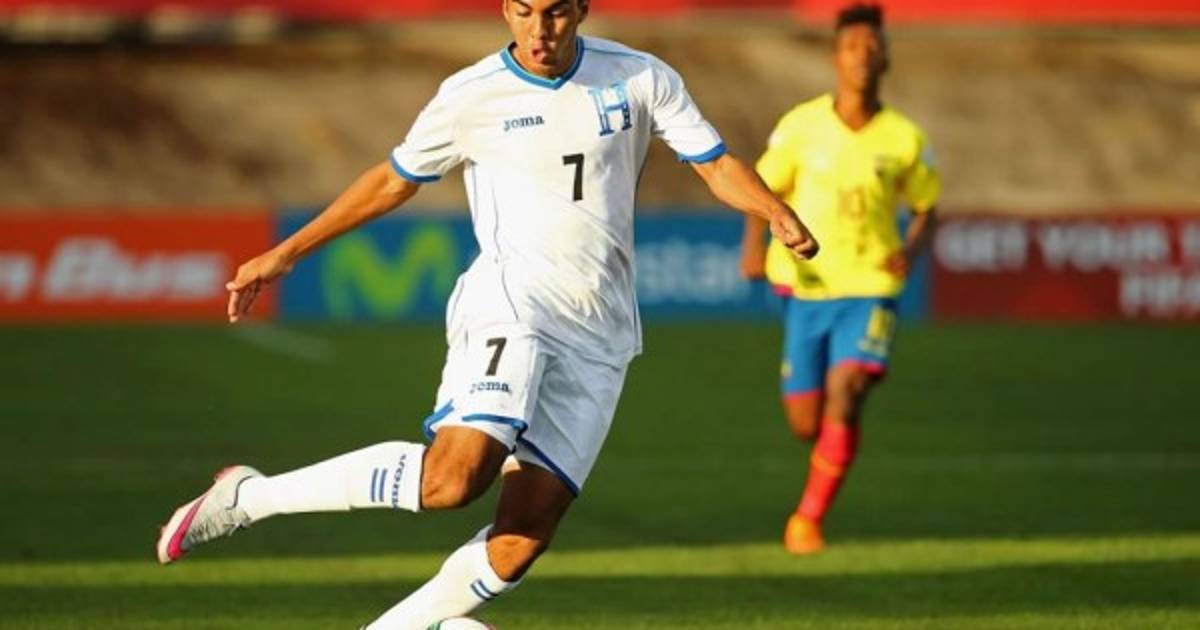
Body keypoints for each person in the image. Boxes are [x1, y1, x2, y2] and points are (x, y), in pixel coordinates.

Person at [155, 0, 818, 627]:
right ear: (505, 11)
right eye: (524, 10)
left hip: (602, 331)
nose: (539, 28)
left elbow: (714, 163)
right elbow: (393, 180)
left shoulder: (640, 77)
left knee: (519, 541)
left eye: (554, 11)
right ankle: (250, 498)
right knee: (452, 479)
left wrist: (773, 211)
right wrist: (286, 253)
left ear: (581, 10)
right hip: (514, 301)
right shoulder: (472, 94)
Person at [740, 2, 940, 555]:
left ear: (886, 58)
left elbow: (927, 206)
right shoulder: (801, 127)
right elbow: (763, 189)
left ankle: (807, 519)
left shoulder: (905, 138)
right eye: (853, 47)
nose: (863, 56)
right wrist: (753, 245)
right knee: (806, 423)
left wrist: (910, 251)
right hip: (806, 285)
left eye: (872, 47)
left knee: (845, 391)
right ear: (836, 57)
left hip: (872, 286)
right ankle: (828, 438)